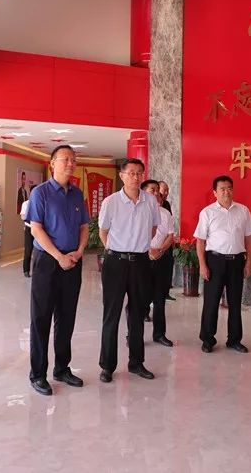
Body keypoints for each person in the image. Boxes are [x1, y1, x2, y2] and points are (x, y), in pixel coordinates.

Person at [25, 145, 89, 396]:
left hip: (72, 260)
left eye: (73, 160)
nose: (70, 163)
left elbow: (84, 226)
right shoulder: (40, 193)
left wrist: (79, 251)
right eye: (65, 159)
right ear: (52, 163)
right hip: (47, 261)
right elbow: (36, 229)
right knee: (41, 318)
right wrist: (58, 256)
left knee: (66, 316)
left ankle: (62, 368)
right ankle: (38, 374)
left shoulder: (77, 194)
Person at [97, 159, 159, 383]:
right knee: (111, 314)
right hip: (116, 262)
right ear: (121, 175)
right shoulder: (111, 202)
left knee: (137, 314)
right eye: (131, 173)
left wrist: (138, 246)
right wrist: (115, 250)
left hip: (141, 262)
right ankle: (107, 366)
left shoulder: (151, 201)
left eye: (139, 173)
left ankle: (136, 363)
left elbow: (153, 228)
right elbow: (103, 231)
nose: (136, 177)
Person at [194, 175, 251, 354]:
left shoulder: (243, 210)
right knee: (211, 302)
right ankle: (208, 339)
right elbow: (200, 242)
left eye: (229, 188)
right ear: (215, 192)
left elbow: (249, 239)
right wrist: (202, 265)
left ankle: (234, 340)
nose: (226, 192)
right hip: (214, 261)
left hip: (237, 261)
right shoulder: (207, 212)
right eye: (222, 189)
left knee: (235, 303)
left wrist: (249, 262)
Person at [142, 180, 175, 347]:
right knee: (139, 298)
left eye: (157, 191)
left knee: (160, 299)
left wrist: (160, 250)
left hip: (161, 258)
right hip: (142, 259)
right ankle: (133, 335)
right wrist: (148, 251)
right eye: (152, 190)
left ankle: (159, 334)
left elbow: (170, 235)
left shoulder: (165, 213)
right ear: (143, 192)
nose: (156, 193)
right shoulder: (138, 211)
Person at [157, 180, 175, 302]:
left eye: (168, 190)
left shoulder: (166, 204)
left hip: (167, 242)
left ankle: (166, 292)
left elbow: (170, 223)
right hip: (155, 245)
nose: (166, 193)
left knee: (168, 267)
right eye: (164, 190)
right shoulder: (149, 205)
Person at [19, 184, 38, 278]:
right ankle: (26, 270)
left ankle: (37, 271)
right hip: (29, 228)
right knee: (28, 250)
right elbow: (23, 217)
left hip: (39, 229)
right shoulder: (26, 204)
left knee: (39, 251)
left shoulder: (41, 203)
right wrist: (32, 218)